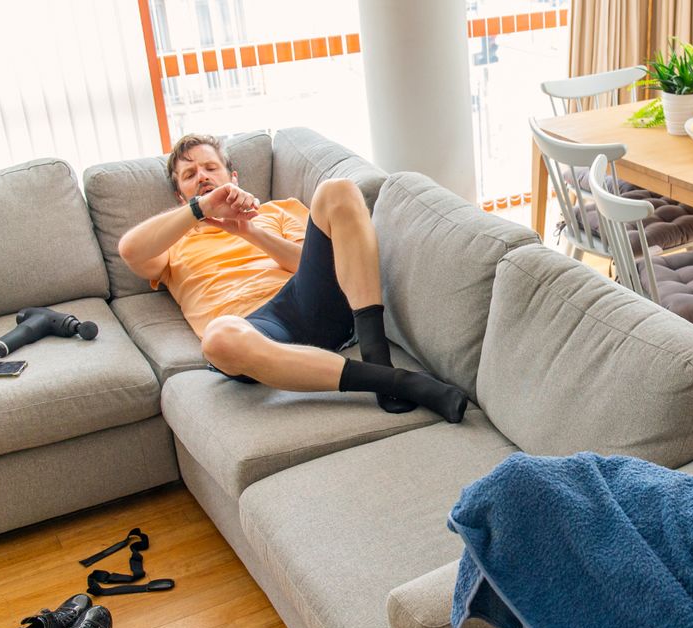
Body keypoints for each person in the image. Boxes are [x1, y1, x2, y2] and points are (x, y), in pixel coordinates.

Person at [118, 134, 468, 423]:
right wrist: (201, 209)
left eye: (211, 167)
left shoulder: (277, 210)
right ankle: (396, 382)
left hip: (305, 300)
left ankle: (376, 354)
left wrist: (250, 231)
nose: (203, 176)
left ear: (233, 177)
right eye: (190, 174)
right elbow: (131, 251)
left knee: (338, 189)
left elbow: (318, 266)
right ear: (180, 195)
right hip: (257, 330)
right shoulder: (173, 239)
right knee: (218, 339)